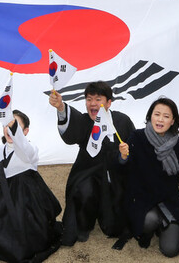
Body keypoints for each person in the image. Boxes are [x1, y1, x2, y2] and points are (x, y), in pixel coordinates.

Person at [48, 81, 135, 246]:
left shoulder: (122, 121)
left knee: (115, 223)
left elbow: (134, 151)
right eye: (89, 99)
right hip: (89, 173)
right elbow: (70, 136)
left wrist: (126, 155)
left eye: (98, 99)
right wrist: (61, 108)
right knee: (83, 190)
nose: (93, 104)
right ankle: (83, 225)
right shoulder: (84, 121)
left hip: (115, 179)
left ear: (109, 102)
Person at [0, 110, 62, 263]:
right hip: (1, 193)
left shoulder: (30, 150)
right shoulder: (1, 149)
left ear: (25, 131)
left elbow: (24, 149)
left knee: (20, 239)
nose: (9, 129)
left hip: (25, 197)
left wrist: (16, 133)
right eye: (6, 125)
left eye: (14, 126)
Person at [118, 97, 179, 256]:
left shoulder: (175, 142)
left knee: (170, 250)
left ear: (173, 121)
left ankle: (164, 225)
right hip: (142, 198)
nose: (160, 119)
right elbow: (122, 169)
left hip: (168, 199)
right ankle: (149, 231)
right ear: (150, 116)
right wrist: (123, 157)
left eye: (166, 116)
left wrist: (174, 181)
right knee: (149, 221)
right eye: (157, 114)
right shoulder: (136, 137)